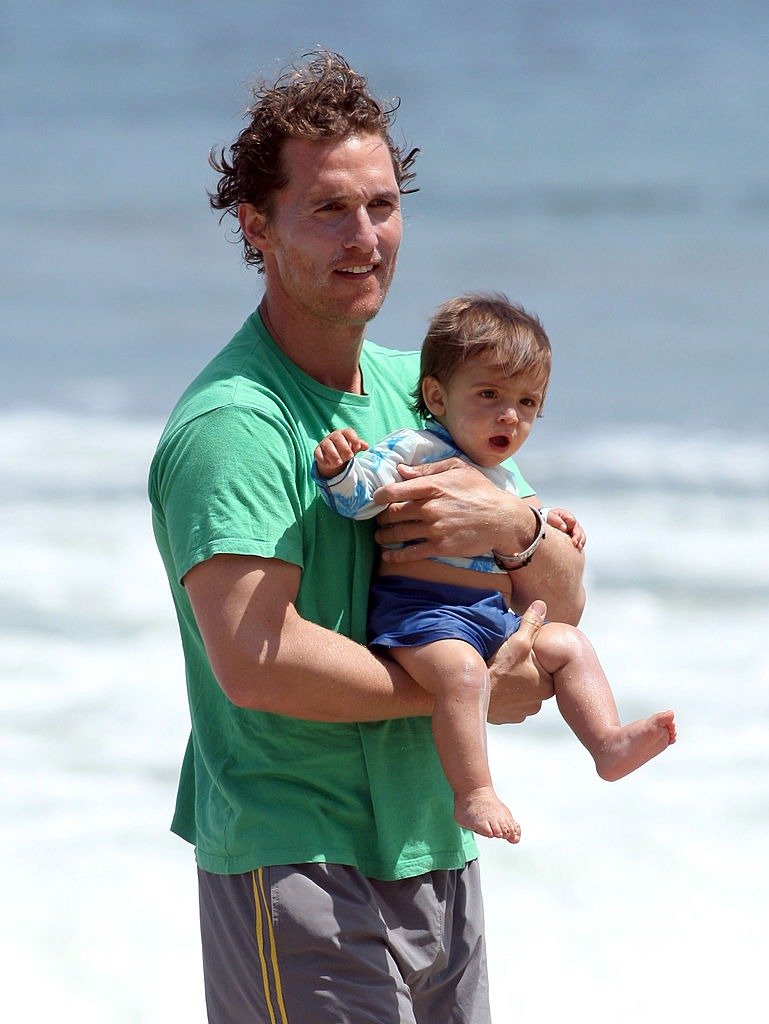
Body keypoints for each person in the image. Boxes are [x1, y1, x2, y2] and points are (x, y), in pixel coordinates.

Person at [148, 51, 585, 1024]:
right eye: (330, 209)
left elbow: (557, 591)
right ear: (255, 225)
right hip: (295, 857)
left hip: (434, 849)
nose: (366, 238)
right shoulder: (234, 424)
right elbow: (258, 660)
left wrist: (514, 526)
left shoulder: (424, 389)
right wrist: (458, 684)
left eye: (382, 206)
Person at [313, 293, 677, 843]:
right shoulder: (416, 448)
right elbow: (362, 497)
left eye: (528, 403)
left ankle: (606, 743)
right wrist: (341, 469)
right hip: (423, 617)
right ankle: (474, 791)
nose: (511, 415)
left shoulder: (502, 474)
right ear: (436, 396)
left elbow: (521, 527)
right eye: (489, 395)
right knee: (462, 674)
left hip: (488, 616)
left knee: (569, 646)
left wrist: (549, 523)